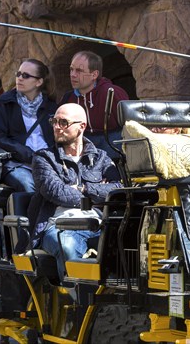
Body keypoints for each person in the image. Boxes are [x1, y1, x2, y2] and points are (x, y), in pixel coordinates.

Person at [28, 103, 122, 277]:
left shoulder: (101, 158)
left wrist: (83, 187)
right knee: (67, 245)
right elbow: (56, 192)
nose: (57, 127)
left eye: (63, 122)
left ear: (82, 127)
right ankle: (79, 299)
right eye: (54, 121)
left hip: (98, 225)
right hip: (58, 226)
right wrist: (98, 192)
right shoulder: (43, 158)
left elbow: (117, 189)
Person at [0, 58, 58, 192]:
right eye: (18, 74)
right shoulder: (5, 103)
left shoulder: (51, 107)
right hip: (16, 163)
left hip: (47, 163)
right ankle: (30, 214)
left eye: (25, 76)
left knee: (57, 187)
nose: (20, 78)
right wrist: (24, 152)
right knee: (29, 185)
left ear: (39, 82)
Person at [59, 51, 129, 159]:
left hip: (112, 148)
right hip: (82, 147)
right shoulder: (68, 98)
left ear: (94, 74)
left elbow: (129, 126)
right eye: (71, 69)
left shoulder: (112, 93)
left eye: (79, 70)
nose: (72, 75)